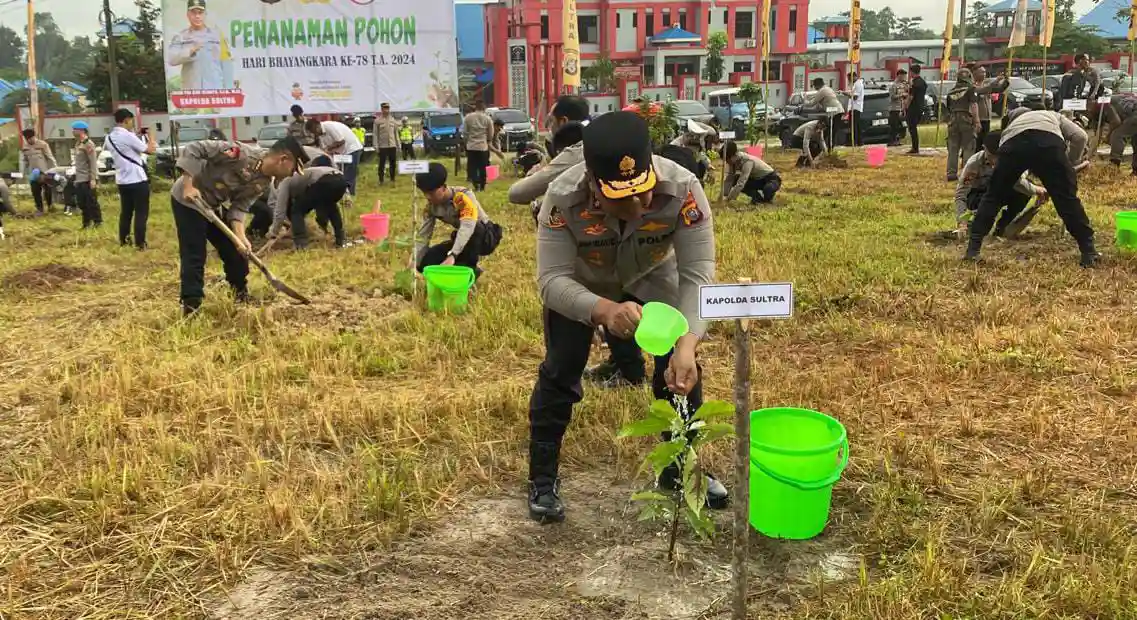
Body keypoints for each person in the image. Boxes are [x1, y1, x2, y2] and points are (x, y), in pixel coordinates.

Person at [526, 110, 726, 523]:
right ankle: (543, 478)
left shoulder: (683, 188)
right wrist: (602, 309)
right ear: (595, 187)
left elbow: (698, 275)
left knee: (680, 371)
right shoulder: (562, 197)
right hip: (584, 284)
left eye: (645, 194)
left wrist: (687, 343)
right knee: (561, 370)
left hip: (653, 275)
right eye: (623, 199)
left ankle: (680, 470)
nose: (638, 208)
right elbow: (550, 280)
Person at [172, 137, 307, 315]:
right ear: (283, 159)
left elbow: (239, 207)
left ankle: (240, 294)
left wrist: (240, 238)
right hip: (188, 201)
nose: (291, 175)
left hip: (211, 206)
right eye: (292, 169)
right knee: (195, 254)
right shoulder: (238, 153)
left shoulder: (263, 181)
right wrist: (189, 185)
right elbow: (193, 148)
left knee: (235, 252)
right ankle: (191, 306)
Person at [965, 108, 1095, 267]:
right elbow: (1080, 136)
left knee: (993, 196)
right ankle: (1088, 251)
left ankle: (973, 249)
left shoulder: (1011, 128)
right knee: (1066, 200)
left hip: (1013, 145)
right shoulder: (1052, 115)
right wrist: (1070, 164)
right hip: (1048, 143)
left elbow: (1014, 173)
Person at [413, 162, 503, 275]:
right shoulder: (431, 208)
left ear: (444, 187)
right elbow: (423, 235)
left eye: (432, 193)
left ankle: (470, 270)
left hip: (485, 237)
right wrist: (415, 261)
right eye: (424, 193)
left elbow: (468, 227)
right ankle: (466, 265)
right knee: (426, 262)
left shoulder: (463, 197)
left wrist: (453, 255)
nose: (427, 197)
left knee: (475, 228)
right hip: (462, 240)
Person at [955, 131, 1047, 238]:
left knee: (1023, 193)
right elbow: (961, 194)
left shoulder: (1011, 160)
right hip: (979, 195)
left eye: (999, 156)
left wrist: (1037, 190)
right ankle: (977, 225)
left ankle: (1003, 227)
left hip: (1001, 191)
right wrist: (962, 220)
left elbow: (1019, 183)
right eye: (991, 155)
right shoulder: (974, 164)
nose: (995, 160)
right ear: (984, 148)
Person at [106, 108, 157, 249]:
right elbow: (150, 150)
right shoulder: (128, 136)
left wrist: (136, 135)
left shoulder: (109, 137)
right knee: (141, 212)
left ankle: (124, 240)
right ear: (126, 120)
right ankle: (140, 243)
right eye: (131, 121)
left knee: (126, 212)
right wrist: (151, 136)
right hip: (137, 179)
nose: (132, 124)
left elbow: (127, 147)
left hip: (122, 180)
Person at [269, 165, 347, 249]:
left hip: (323, 181)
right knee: (331, 207)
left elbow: (280, 212)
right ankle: (340, 239)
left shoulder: (284, 182)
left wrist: (273, 233)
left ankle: (301, 244)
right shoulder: (300, 177)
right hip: (341, 180)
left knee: (296, 210)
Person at [165, 0, 231, 92]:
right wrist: (190, 51)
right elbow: (172, 60)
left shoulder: (217, 35)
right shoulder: (181, 37)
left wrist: (228, 88)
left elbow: (226, 62)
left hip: (215, 91)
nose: (197, 16)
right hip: (192, 92)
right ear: (188, 15)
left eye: (200, 13)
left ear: (205, 14)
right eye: (193, 13)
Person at [306, 118, 362, 198]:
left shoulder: (329, 127)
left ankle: (349, 196)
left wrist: (329, 148)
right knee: (339, 173)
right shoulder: (319, 135)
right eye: (312, 133)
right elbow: (324, 149)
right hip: (340, 152)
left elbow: (341, 141)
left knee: (349, 173)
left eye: (314, 131)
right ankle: (341, 193)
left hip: (352, 148)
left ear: (317, 126)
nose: (314, 134)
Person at [945, 68, 981, 182]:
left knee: (953, 147)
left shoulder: (951, 91)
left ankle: (951, 173)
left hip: (953, 120)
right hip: (966, 118)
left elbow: (948, 108)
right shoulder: (970, 89)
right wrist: (977, 121)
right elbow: (974, 105)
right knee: (968, 146)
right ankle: (967, 173)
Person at [71, 122, 101, 229]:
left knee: (91, 201)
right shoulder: (78, 144)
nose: (73, 131)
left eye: (75, 129)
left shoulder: (88, 144)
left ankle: (97, 222)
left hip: (87, 178)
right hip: (80, 178)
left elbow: (92, 162)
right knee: (82, 202)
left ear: (82, 130)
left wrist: (93, 179)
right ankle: (86, 223)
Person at [972, 66, 1008, 152]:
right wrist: (996, 80)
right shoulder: (973, 86)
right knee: (977, 142)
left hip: (987, 118)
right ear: (975, 73)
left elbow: (999, 89)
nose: (984, 74)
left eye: (985, 72)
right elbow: (984, 89)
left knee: (985, 141)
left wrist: (1006, 81)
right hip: (977, 119)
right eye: (981, 72)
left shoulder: (986, 84)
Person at [21, 129, 56, 214]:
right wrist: (24, 172)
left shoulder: (43, 144)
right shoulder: (25, 147)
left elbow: (50, 158)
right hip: (33, 173)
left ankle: (50, 206)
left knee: (48, 191)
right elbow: (25, 161)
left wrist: (52, 171)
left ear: (34, 136)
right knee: (35, 191)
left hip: (45, 172)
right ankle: (39, 209)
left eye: (30, 138)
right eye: (26, 139)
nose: (28, 140)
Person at [463, 102, 494, 191]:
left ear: (475, 107)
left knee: (472, 166)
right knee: (483, 166)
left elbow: (465, 132)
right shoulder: (487, 118)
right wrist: (488, 140)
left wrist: (466, 142)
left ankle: (476, 185)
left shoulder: (468, 117)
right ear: (484, 108)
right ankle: (483, 185)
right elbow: (490, 133)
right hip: (482, 146)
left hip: (471, 146)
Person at [1104, 93, 1137, 174]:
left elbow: (1116, 122)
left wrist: (1108, 136)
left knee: (1116, 135)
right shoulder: (1117, 98)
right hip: (1133, 113)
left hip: (1135, 115)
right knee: (1135, 141)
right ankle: (1136, 171)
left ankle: (1114, 165)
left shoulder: (1106, 104)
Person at [373, 102, 399, 185]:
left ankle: (392, 179)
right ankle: (381, 180)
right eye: (385, 108)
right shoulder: (377, 121)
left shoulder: (393, 120)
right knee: (382, 164)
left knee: (393, 163)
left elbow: (396, 133)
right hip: (382, 146)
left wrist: (398, 145)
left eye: (388, 108)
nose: (386, 110)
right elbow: (375, 134)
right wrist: (376, 146)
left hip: (392, 145)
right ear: (382, 109)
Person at [906, 65, 928, 154]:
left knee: (912, 127)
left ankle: (915, 148)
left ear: (912, 72)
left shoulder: (914, 83)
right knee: (914, 127)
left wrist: (906, 106)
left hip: (913, 107)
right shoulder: (922, 82)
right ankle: (915, 147)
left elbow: (911, 96)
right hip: (920, 106)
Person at [888, 70, 910, 146]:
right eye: (903, 76)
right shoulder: (893, 85)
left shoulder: (903, 85)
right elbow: (892, 96)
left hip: (901, 108)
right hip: (894, 108)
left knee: (900, 125)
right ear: (899, 75)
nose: (904, 78)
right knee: (894, 125)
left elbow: (907, 92)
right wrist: (901, 95)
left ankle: (898, 140)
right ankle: (892, 141)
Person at [847, 71, 866, 146]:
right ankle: (859, 141)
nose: (849, 80)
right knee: (857, 126)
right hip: (854, 107)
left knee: (853, 126)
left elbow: (855, 97)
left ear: (854, 77)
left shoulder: (858, 84)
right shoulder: (855, 84)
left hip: (855, 107)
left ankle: (854, 141)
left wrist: (846, 94)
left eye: (849, 78)